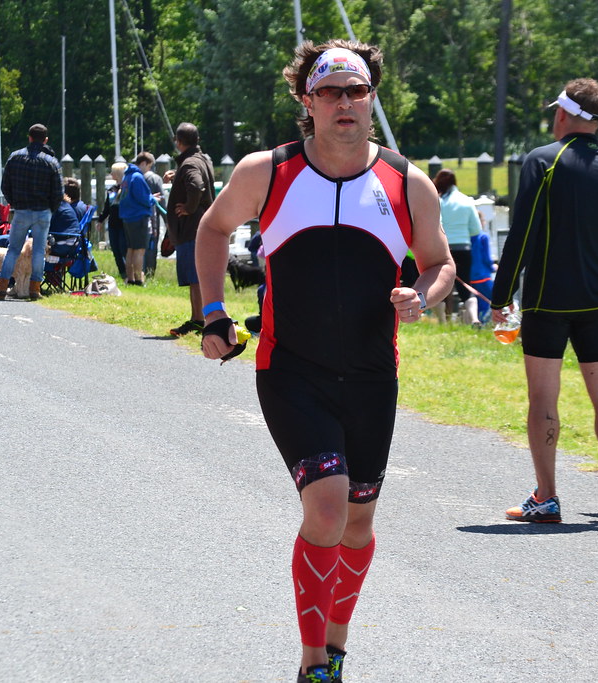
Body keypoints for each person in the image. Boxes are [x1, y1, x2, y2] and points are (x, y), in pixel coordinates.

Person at [195, 39, 455, 683]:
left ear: (372, 99)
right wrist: (212, 313)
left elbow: (440, 264)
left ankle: (337, 644)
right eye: (331, 92)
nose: (346, 103)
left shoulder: (405, 180)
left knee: (360, 519)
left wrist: (419, 296)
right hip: (292, 371)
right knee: (329, 509)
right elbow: (211, 228)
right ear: (306, 101)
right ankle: (313, 664)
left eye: (357, 90)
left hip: (372, 377)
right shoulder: (270, 172)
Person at [490, 78, 598, 525]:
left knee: (544, 398)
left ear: (563, 115)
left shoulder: (542, 162)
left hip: (548, 303)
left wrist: (501, 294)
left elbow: (522, 233)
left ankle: (547, 497)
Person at [0, 123, 63, 301]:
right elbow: (58, 192)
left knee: (13, 250)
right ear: (45, 140)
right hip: (42, 211)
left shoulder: (15, 157)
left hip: (22, 210)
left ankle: (2, 287)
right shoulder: (51, 162)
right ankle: (35, 289)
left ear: (29, 137)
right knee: (39, 251)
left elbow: (5, 186)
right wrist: (50, 209)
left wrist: (14, 202)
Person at [163, 122, 216, 335]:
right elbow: (196, 177)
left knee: (195, 277)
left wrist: (188, 207)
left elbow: (196, 185)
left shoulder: (189, 164)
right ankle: (198, 319)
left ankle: (198, 319)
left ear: (178, 142)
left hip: (191, 228)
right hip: (201, 226)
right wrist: (177, 176)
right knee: (196, 277)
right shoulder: (202, 159)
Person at [433, 168, 483, 325]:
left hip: (443, 248)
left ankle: (442, 321)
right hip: (464, 248)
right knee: (466, 286)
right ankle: (474, 318)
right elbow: (476, 229)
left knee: (438, 286)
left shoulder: (438, 202)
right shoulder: (467, 201)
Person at [120, 153, 156, 286]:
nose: (149, 170)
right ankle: (138, 279)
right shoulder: (138, 177)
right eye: (149, 166)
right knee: (140, 249)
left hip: (127, 217)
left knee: (130, 248)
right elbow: (143, 198)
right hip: (138, 217)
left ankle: (130, 278)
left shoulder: (127, 176)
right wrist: (153, 199)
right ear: (143, 163)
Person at [96, 162, 127, 279]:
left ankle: (128, 273)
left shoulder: (126, 189)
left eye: (113, 172)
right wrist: (100, 221)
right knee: (115, 249)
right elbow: (107, 208)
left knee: (123, 248)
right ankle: (122, 273)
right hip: (113, 224)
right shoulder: (111, 190)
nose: (111, 174)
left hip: (124, 224)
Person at [140, 151, 166, 277]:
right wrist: (168, 220)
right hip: (152, 219)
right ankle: (149, 274)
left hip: (135, 219)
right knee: (151, 248)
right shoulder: (155, 179)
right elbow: (162, 203)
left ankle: (139, 273)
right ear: (149, 164)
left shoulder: (134, 178)